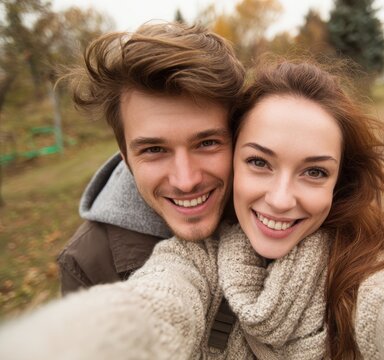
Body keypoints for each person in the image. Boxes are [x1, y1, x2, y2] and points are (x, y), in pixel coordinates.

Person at [2, 59, 384, 360]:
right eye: (260, 163)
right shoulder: (184, 259)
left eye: (313, 171)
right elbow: (157, 305)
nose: (281, 199)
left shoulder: (362, 264)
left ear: (339, 183)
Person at [56, 21, 244, 294]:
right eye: (154, 150)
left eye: (207, 143)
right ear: (125, 158)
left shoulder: (287, 213)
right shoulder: (87, 266)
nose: (186, 181)